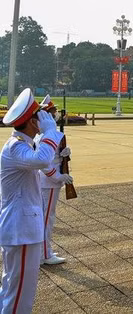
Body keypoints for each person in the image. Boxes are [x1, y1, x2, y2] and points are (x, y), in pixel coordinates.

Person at [0, 89, 60, 312]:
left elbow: (43, 163)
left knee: (12, 287)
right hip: (22, 230)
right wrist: (51, 132)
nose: (45, 119)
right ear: (33, 122)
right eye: (40, 116)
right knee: (20, 294)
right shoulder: (16, 146)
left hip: (21, 227)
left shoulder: (20, 143)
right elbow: (42, 160)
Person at [37, 96, 75, 265]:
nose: (56, 115)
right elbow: (44, 164)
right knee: (46, 218)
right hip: (49, 182)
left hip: (47, 181)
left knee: (45, 217)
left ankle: (42, 251)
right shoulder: (48, 137)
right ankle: (44, 255)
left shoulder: (44, 136)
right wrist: (58, 177)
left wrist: (64, 154)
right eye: (53, 112)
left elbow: (52, 158)